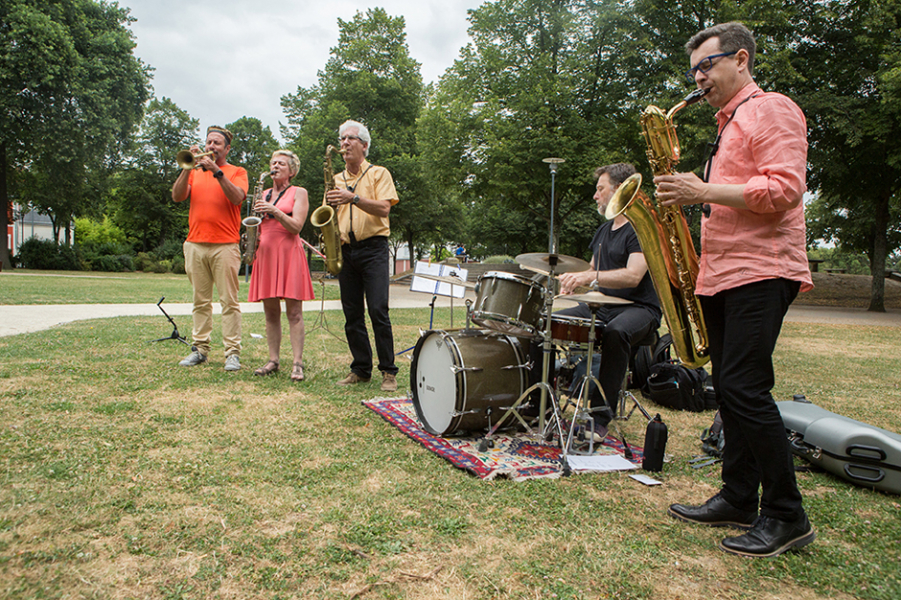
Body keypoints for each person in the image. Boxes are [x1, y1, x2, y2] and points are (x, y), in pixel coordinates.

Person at [654, 22, 814, 558]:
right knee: (729, 390)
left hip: (761, 269)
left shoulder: (771, 108)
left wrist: (702, 190)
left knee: (745, 388)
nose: (699, 78)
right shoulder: (727, 124)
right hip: (723, 272)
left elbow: (785, 189)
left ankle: (787, 515)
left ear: (740, 59)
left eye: (708, 65)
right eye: (694, 69)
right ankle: (740, 495)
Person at [551, 163, 662, 441]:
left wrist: (589, 275)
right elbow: (592, 276)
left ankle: (600, 419)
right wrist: (574, 284)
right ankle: (538, 402)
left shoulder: (639, 228)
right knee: (548, 320)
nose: (595, 195)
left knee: (617, 332)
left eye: (600, 189)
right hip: (604, 308)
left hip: (639, 309)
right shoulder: (602, 232)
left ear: (619, 190)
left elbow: (634, 275)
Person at [326, 120, 400, 392]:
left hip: (374, 249)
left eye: (350, 138)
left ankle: (388, 372)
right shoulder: (335, 179)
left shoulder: (379, 173)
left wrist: (353, 198)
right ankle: (361, 369)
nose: (344, 143)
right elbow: (328, 216)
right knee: (352, 313)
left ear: (364, 145)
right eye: (342, 138)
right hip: (346, 250)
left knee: (378, 309)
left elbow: (383, 209)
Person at [172, 126, 249, 371]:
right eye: (209, 142)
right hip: (195, 244)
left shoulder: (237, 171)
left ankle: (232, 353)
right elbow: (177, 196)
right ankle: (200, 349)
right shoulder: (195, 171)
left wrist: (216, 171)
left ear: (227, 149)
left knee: (229, 302)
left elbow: (237, 197)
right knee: (200, 301)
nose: (211, 147)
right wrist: (187, 169)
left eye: (217, 143)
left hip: (225, 245)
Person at [247, 150, 315, 382]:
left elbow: (296, 226)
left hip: (288, 253)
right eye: (273, 162)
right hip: (265, 254)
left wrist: (274, 210)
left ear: (292, 171)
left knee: (294, 312)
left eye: (281, 163)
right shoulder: (263, 193)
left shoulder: (299, 192)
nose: (275, 166)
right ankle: (273, 360)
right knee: (270, 312)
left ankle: (297, 362)